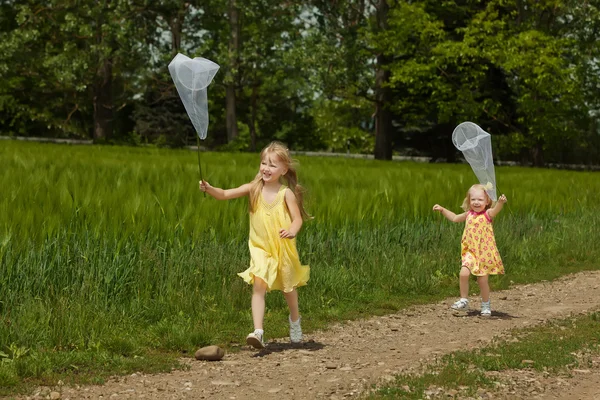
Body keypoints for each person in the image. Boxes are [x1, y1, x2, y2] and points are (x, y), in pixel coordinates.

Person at [200, 141, 310, 349]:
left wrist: (292, 231)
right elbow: (224, 194)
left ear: (284, 169)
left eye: (272, 165)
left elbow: (297, 219)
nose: (266, 169)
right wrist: (210, 188)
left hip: (282, 248)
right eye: (263, 163)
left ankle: (295, 321)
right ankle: (258, 331)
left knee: (288, 289)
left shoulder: (285, 193)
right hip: (260, 248)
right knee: (259, 286)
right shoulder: (254, 188)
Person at [432, 184, 507, 316]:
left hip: (483, 253)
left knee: (482, 280)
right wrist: (443, 209)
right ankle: (464, 300)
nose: (476, 202)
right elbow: (455, 218)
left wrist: (500, 202)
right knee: (463, 274)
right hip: (470, 251)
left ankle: (485, 304)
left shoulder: (487, 214)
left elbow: (496, 210)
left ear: (487, 201)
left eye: (480, 200)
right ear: (469, 200)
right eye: (473, 199)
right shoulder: (469, 214)